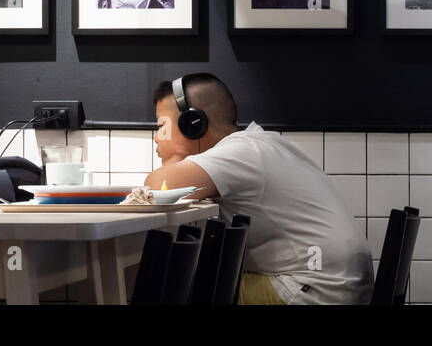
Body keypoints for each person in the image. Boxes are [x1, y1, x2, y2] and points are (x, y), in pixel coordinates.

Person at [145, 74, 374, 304]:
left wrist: (176, 154)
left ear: (192, 124)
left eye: (162, 126)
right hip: (337, 283)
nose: (157, 138)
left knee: (177, 284)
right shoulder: (261, 144)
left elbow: (157, 189)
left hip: (314, 288)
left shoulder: (240, 152)